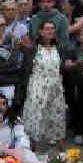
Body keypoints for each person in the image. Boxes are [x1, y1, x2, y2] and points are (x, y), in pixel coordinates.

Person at [20, 20, 66, 154]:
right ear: (40, 31)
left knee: (57, 116)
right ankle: (35, 149)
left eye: (52, 28)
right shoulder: (34, 48)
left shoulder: (59, 48)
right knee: (37, 116)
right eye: (47, 28)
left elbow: (61, 67)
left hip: (56, 87)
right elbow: (26, 69)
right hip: (38, 86)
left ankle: (61, 150)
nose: (50, 31)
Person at [63, 27, 83, 145]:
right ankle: (78, 132)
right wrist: (77, 64)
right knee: (77, 108)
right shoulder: (72, 49)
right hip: (76, 84)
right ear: (78, 37)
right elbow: (67, 65)